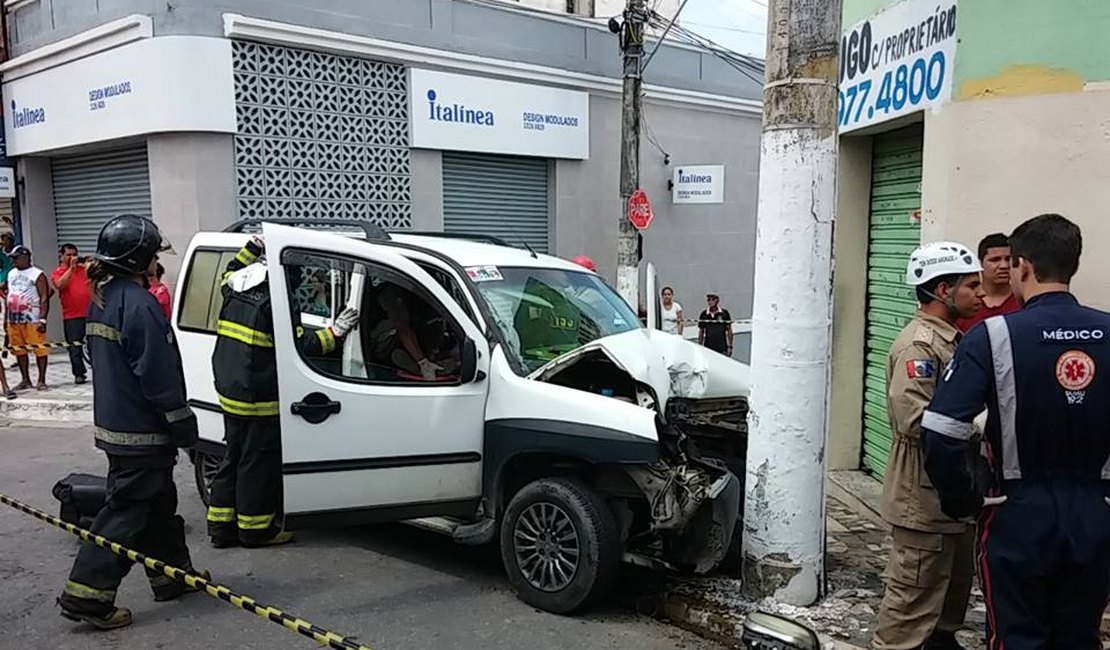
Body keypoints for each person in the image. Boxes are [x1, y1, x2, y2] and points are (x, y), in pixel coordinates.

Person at [922, 214, 1110, 649]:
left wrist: (964, 500)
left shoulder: (994, 335)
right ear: (1072, 265)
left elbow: (941, 428)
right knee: (1079, 636)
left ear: (1023, 266)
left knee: (1016, 637)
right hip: (1094, 511)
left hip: (1018, 511)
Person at [58, 214, 207, 630]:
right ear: (142, 258)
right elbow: (159, 377)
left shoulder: (104, 297)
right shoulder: (139, 305)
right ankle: (86, 595)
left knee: (158, 505)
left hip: (118, 426)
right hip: (143, 431)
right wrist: (183, 427)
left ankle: (171, 576)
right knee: (124, 512)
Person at [207, 236, 359, 548]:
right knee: (256, 464)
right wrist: (337, 332)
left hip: (229, 388)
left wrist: (252, 246)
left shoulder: (233, 287)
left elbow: (232, 268)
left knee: (232, 457)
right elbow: (300, 346)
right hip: (257, 398)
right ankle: (255, 529)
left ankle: (220, 527)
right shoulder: (276, 303)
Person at [871, 241, 984, 650]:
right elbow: (913, 418)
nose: (982, 294)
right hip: (923, 497)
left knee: (946, 614)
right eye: (972, 285)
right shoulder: (920, 346)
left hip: (949, 493)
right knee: (910, 611)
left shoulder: (949, 339)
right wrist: (977, 427)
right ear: (942, 290)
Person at [6, 245, 51, 390]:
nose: (14, 261)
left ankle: (41, 380)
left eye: (16, 258)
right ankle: (25, 379)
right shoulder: (11, 273)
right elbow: (9, 294)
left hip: (32, 318)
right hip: (14, 318)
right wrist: (6, 319)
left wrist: (42, 318)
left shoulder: (37, 274)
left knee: (39, 349)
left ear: (25, 258)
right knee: (19, 350)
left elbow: (45, 296)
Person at [955, 233, 1019, 333]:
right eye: (995, 260)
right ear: (980, 263)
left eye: (1008, 259)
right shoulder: (965, 302)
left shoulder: (1023, 300)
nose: (1004, 265)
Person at [52, 243, 92, 384]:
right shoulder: (58, 271)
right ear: (62, 256)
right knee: (75, 347)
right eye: (68, 255)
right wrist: (71, 269)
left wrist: (89, 263)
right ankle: (79, 374)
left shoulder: (83, 270)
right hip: (72, 316)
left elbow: (98, 276)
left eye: (74, 254)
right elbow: (60, 285)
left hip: (90, 313)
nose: (72, 257)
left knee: (95, 344)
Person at [697, 292, 732, 356]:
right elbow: (701, 331)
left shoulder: (724, 313)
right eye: (708, 300)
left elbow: (729, 330)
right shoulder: (704, 314)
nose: (710, 302)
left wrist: (730, 346)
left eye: (712, 299)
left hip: (722, 346)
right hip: (708, 347)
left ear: (717, 300)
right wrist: (700, 346)